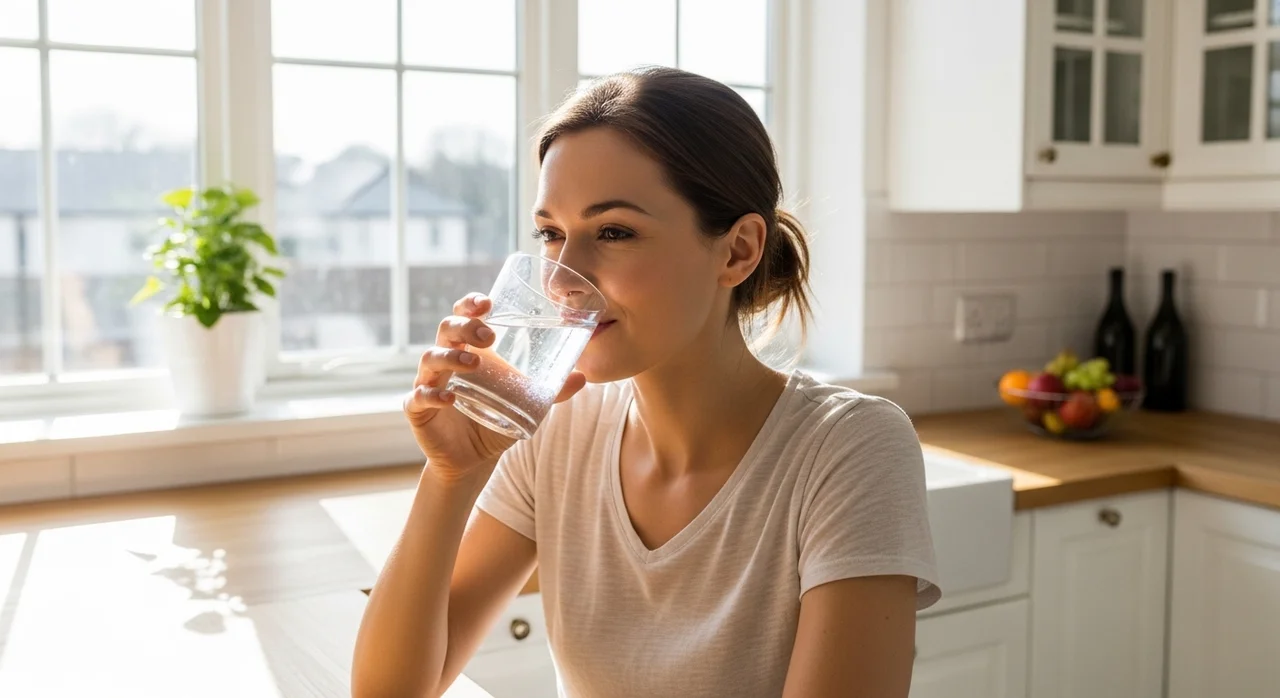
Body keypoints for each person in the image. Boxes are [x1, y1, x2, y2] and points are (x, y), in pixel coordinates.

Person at [352, 66, 940, 698]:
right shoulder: (557, 429)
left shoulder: (847, 447)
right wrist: (452, 476)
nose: (560, 279)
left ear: (738, 251)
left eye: (614, 232)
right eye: (551, 234)